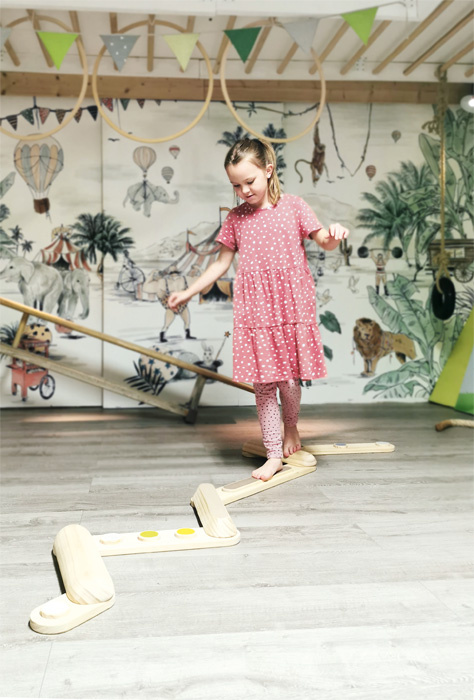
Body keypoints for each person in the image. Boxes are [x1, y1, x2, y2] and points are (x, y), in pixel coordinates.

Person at [169, 138, 349, 481]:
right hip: (255, 309)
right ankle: (272, 453)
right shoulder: (236, 218)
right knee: (264, 384)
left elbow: (324, 240)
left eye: (248, 182)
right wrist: (188, 292)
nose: (243, 191)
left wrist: (335, 235)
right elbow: (220, 264)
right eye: (235, 185)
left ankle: (291, 426)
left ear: (268, 170)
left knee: (289, 379)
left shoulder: (294, 207)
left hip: (291, 304)